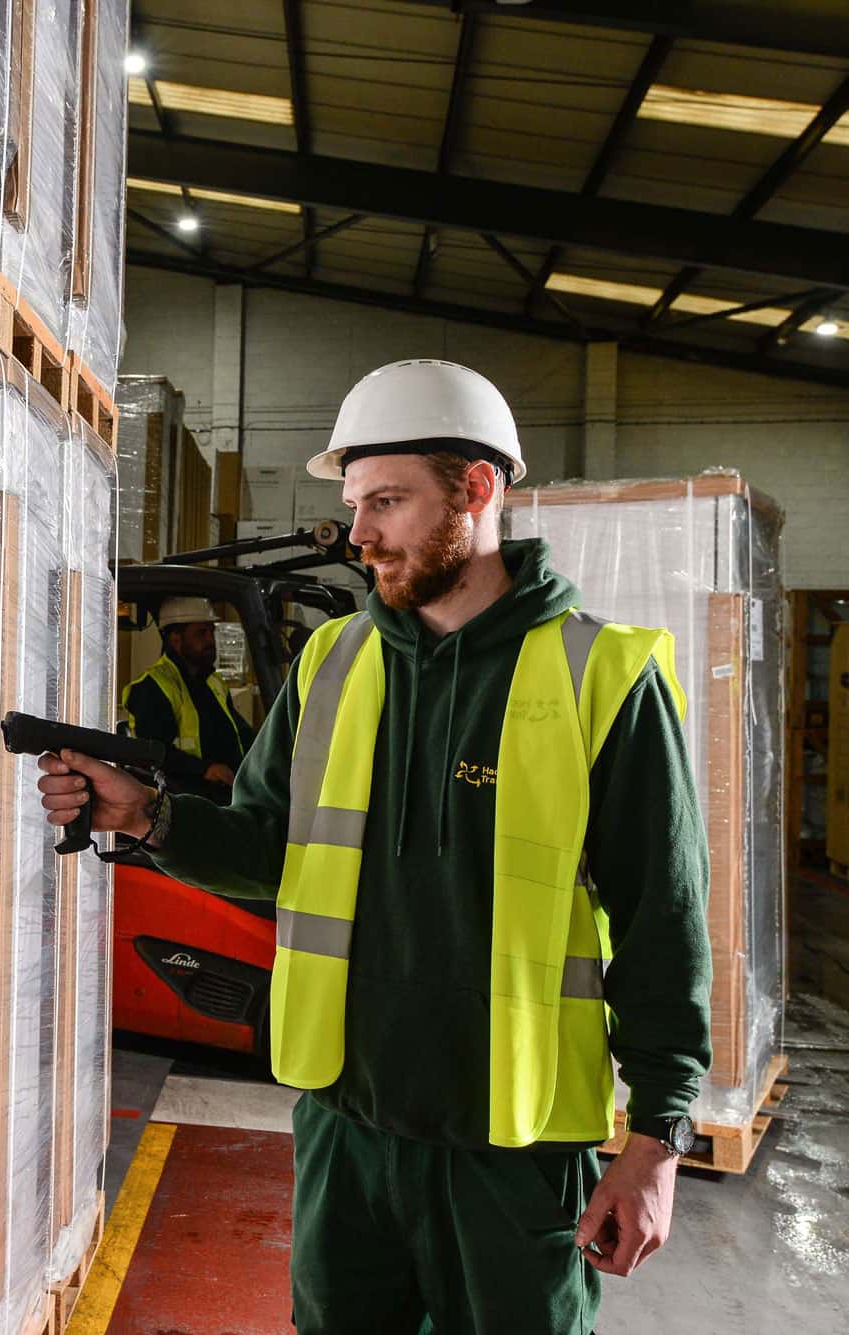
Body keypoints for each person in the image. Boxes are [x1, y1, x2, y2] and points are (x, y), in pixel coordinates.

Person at [38, 359, 712, 1335]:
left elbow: (664, 924)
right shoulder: (333, 663)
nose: (356, 534)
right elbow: (270, 849)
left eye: (386, 502)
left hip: (513, 1156)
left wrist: (654, 1140)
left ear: (475, 491)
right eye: (355, 504)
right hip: (346, 1132)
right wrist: (142, 816)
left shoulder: (601, 678)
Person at [122, 596, 254, 793]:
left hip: (225, 792)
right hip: (182, 798)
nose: (210, 640)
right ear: (176, 639)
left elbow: (239, 732)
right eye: (201, 633)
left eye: (211, 631)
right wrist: (205, 769)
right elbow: (152, 752)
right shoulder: (153, 687)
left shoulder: (213, 682)